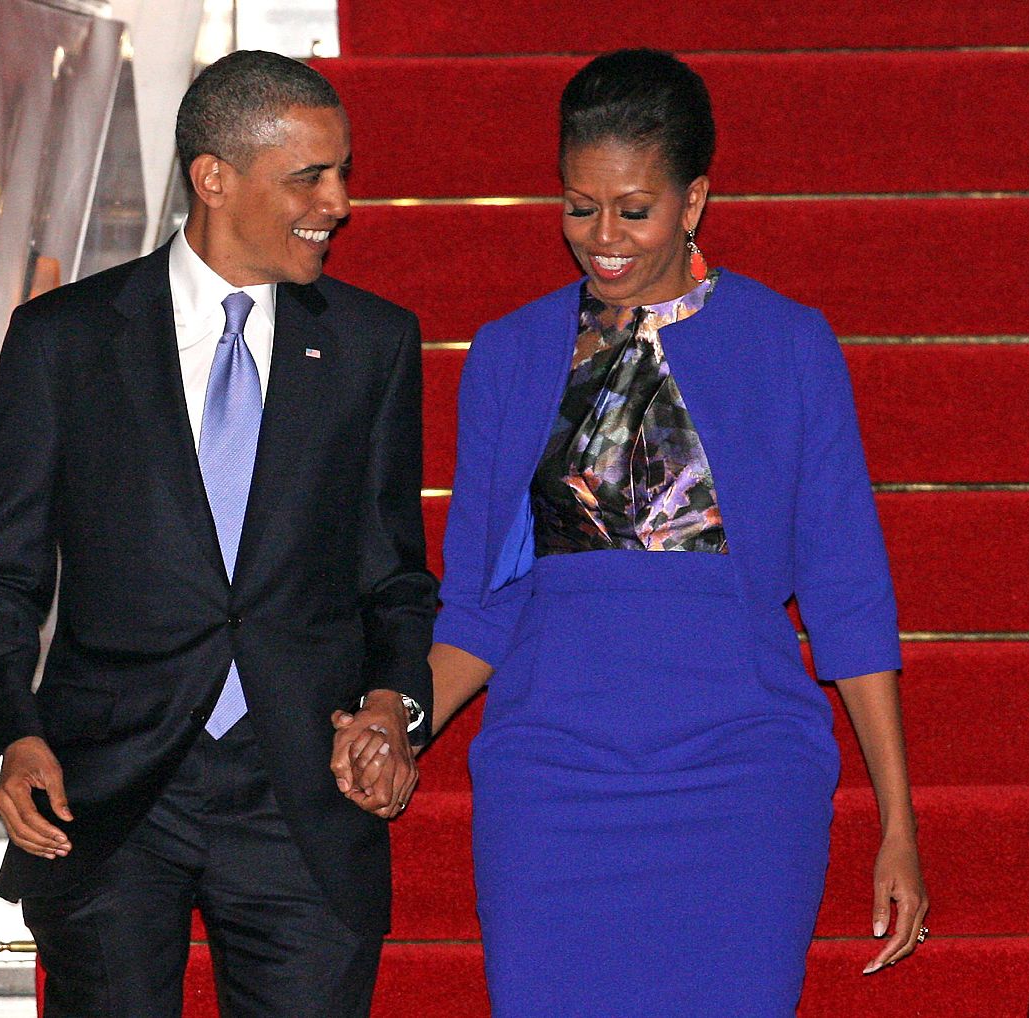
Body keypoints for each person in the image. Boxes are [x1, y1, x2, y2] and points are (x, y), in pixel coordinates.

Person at [343, 48, 929, 1014]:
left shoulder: (788, 345)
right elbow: (480, 609)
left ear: (694, 199)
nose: (601, 237)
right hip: (551, 777)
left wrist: (897, 822)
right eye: (579, 207)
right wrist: (396, 723)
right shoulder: (509, 353)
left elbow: (848, 598)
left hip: (742, 778)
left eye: (633, 208)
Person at [0, 50, 435, 1018]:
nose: (337, 202)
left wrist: (391, 705)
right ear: (213, 177)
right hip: (112, 790)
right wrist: (10, 739)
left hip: (302, 788)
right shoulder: (65, 339)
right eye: (309, 176)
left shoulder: (374, 342)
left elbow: (395, 580)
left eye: (341, 173)